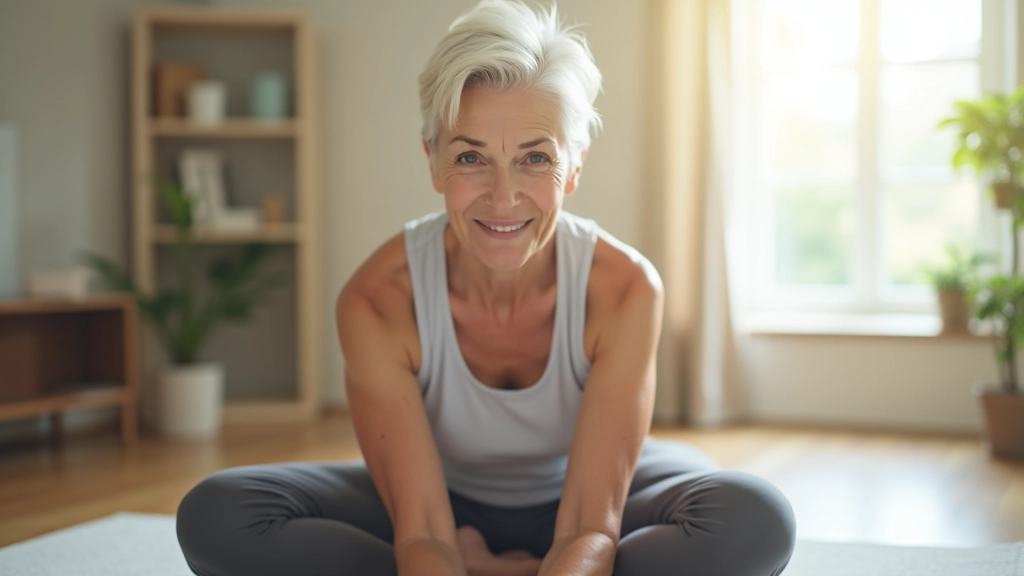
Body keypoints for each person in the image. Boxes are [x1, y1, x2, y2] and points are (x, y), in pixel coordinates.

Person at [175, 1, 796, 574]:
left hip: (591, 492)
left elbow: (590, 528)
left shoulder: (625, 287)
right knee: (219, 512)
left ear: (574, 166)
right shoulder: (378, 299)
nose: (504, 197)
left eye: (535, 158)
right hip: (437, 495)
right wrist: (443, 555)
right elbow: (421, 532)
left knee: (752, 518)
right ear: (433, 160)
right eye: (471, 158)